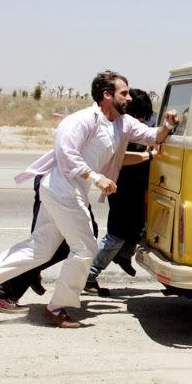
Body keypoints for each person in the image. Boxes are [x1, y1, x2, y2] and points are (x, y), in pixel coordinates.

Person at [0, 70, 176, 328]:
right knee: (85, 248)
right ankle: (58, 307)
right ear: (107, 95)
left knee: (39, 248)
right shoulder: (81, 120)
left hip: (72, 192)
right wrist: (97, 178)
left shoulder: (122, 123)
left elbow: (153, 136)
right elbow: (66, 155)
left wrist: (169, 124)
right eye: (124, 93)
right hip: (61, 188)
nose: (129, 98)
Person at [0, 175, 99, 312]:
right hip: (59, 185)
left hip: (67, 186)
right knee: (59, 244)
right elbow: (69, 156)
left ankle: (21, 280)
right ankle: (3, 290)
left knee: (63, 243)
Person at [84, 88, 159, 296]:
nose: (142, 121)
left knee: (139, 227)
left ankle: (124, 255)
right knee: (117, 234)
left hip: (135, 190)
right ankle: (88, 276)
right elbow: (121, 158)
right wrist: (147, 155)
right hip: (121, 188)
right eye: (140, 116)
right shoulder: (121, 129)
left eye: (146, 117)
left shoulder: (140, 126)